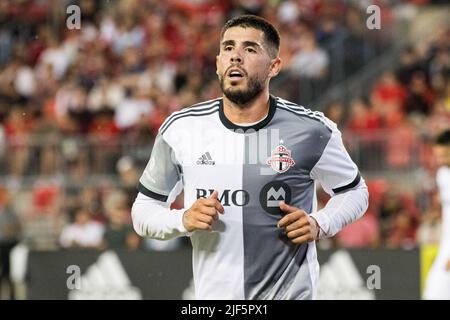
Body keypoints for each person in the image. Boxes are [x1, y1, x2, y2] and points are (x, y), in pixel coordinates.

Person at [132, 15, 368, 300]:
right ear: (218, 62)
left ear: (274, 66)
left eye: (250, 49)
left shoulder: (312, 130)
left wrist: (321, 223)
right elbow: (143, 210)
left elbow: (355, 191)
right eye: (228, 48)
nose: (236, 57)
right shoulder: (181, 129)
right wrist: (183, 218)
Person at [423, 129, 450, 300]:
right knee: (432, 293)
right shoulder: (443, 175)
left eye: (445, 155)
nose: (440, 160)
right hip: (445, 245)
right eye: (438, 155)